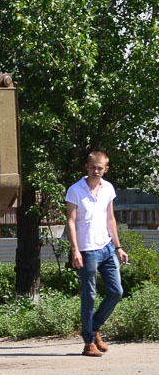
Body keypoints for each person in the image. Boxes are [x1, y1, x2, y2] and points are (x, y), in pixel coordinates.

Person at [65, 151, 129, 357]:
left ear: (106, 169)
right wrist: (75, 249)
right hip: (87, 250)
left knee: (116, 291)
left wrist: (118, 247)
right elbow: (71, 221)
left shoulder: (108, 188)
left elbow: (111, 219)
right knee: (89, 295)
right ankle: (88, 342)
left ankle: (94, 327)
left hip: (107, 248)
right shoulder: (75, 190)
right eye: (93, 167)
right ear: (87, 166)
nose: (96, 171)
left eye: (100, 168)